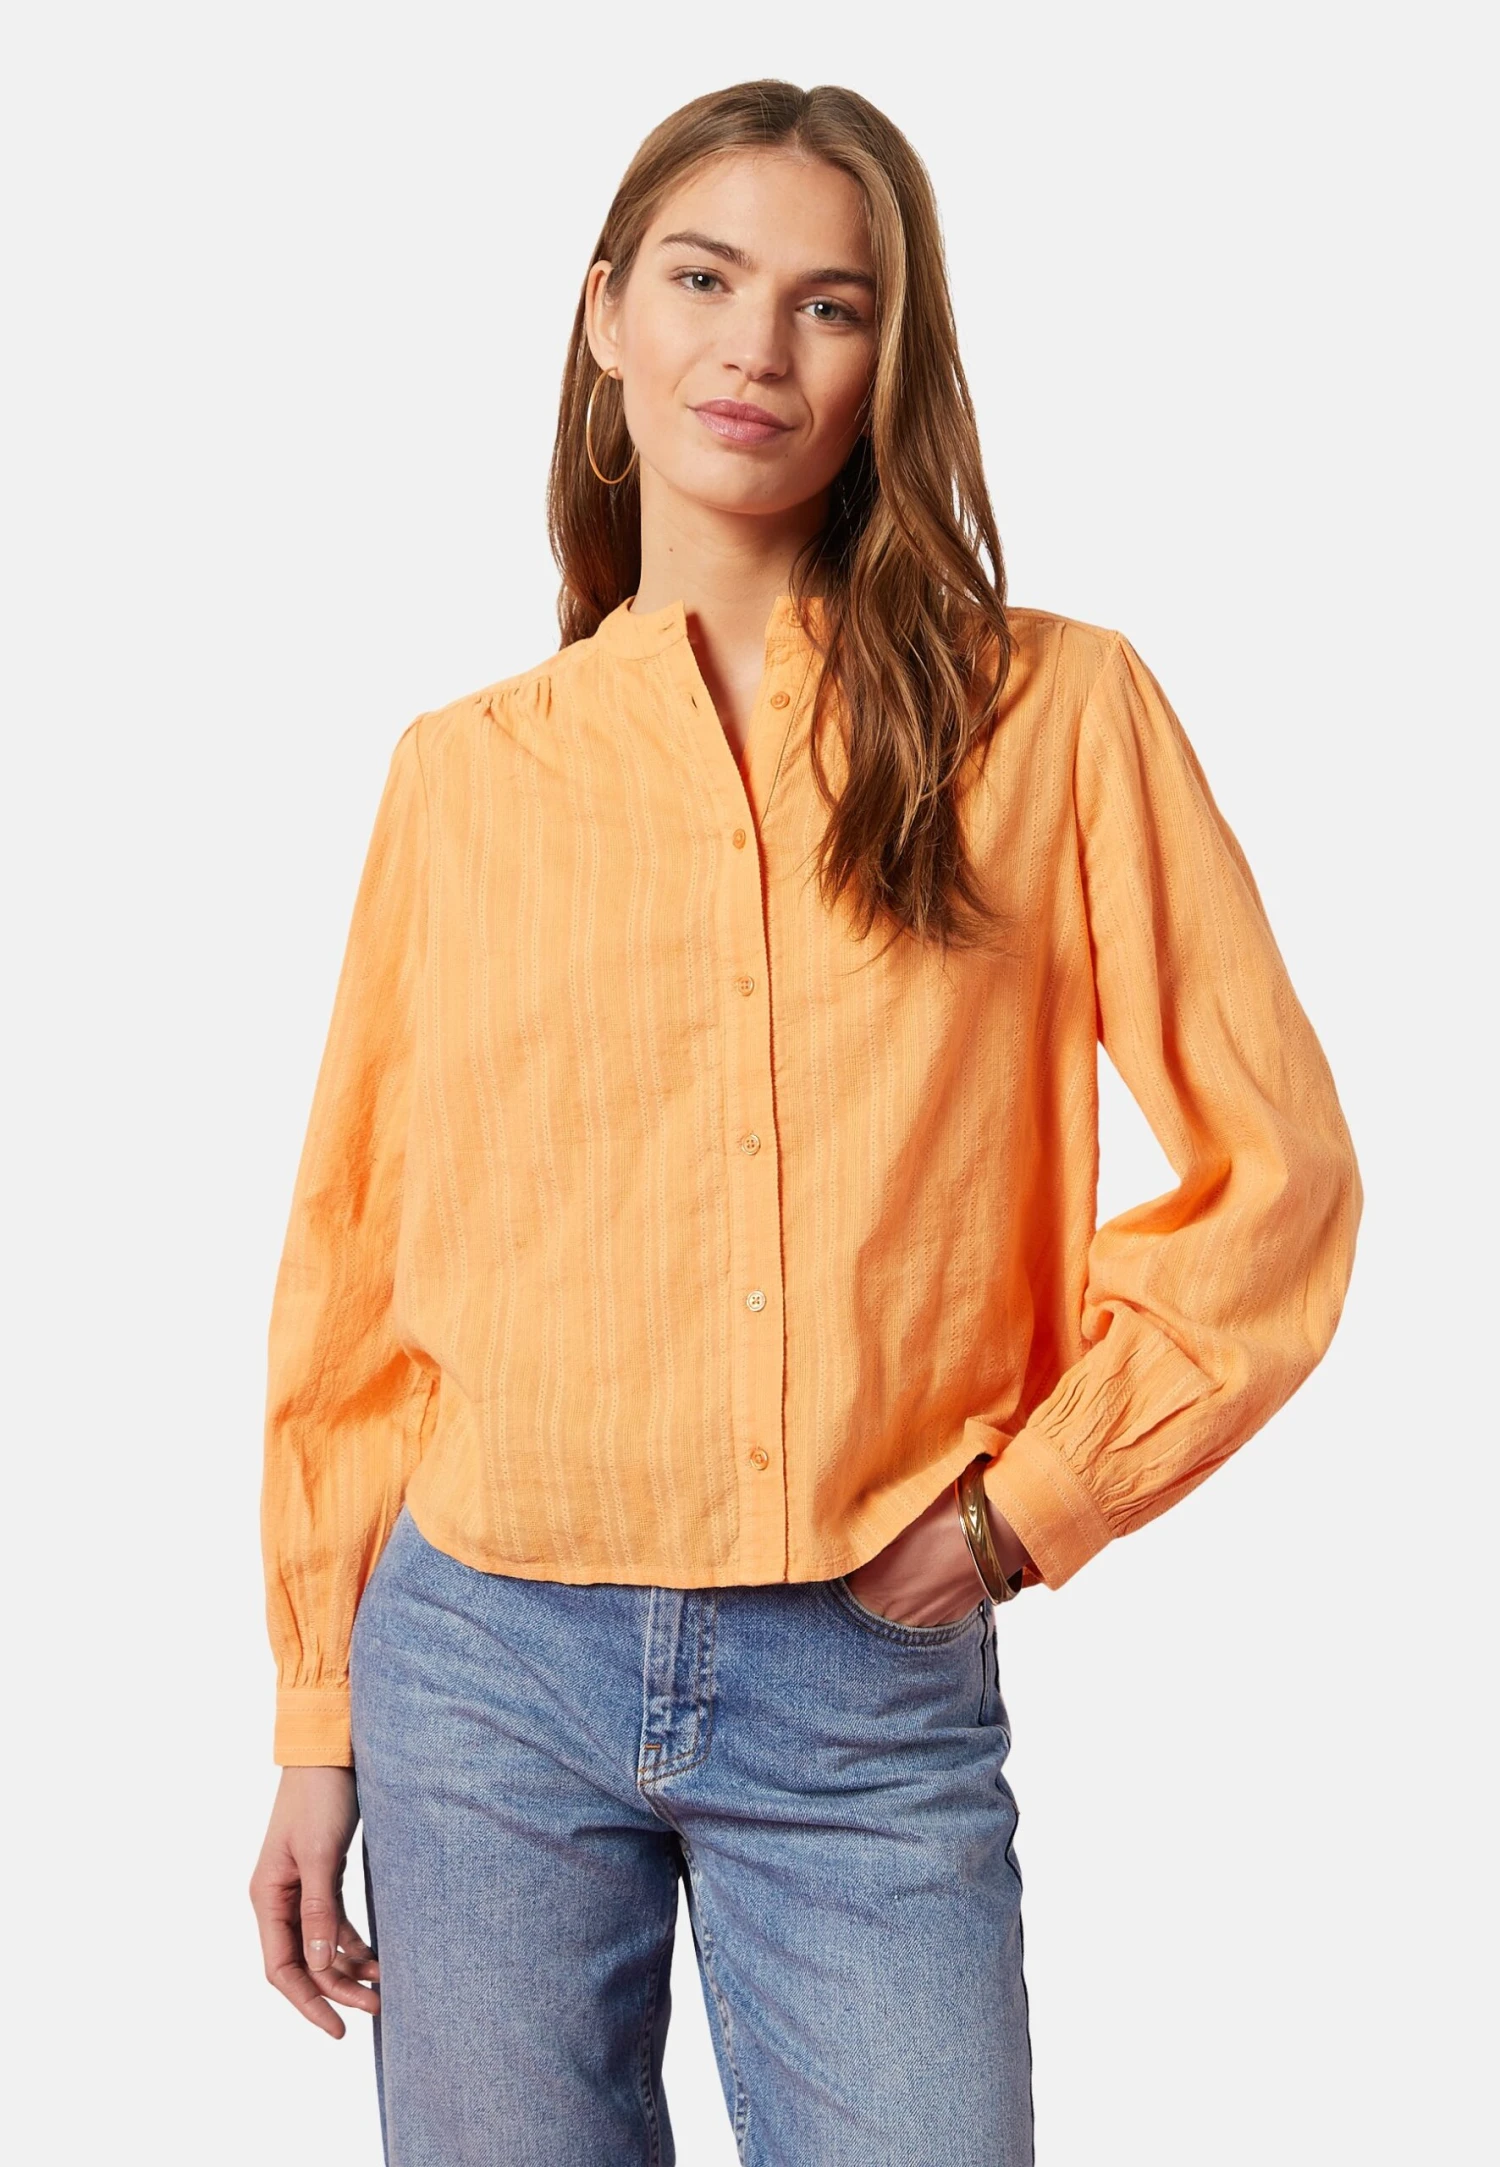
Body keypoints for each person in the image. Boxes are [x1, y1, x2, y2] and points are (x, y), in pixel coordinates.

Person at [248, 78, 1362, 2167]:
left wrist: (1028, 1508)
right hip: (480, 1665)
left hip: (863, 1675)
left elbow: (1278, 1179)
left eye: (829, 304)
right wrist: (319, 1716)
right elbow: (360, 1272)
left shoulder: (1053, 715)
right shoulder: (465, 776)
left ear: (885, 363)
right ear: (605, 316)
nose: (757, 347)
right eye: (703, 279)